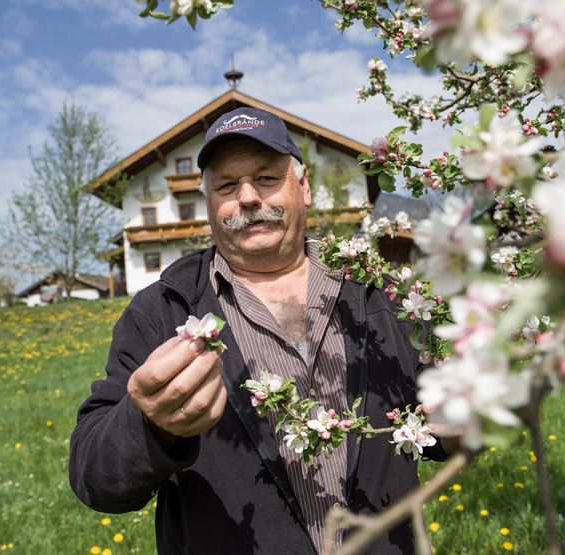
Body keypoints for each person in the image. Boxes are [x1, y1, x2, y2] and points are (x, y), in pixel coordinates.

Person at [69, 107, 446, 554]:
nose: (247, 197)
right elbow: (95, 478)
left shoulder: (377, 290)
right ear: (210, 202)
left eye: (267, 178)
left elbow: (436, 421)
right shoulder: (161, 310)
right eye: (227, 186)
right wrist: (149, 424)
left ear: (303, 188)